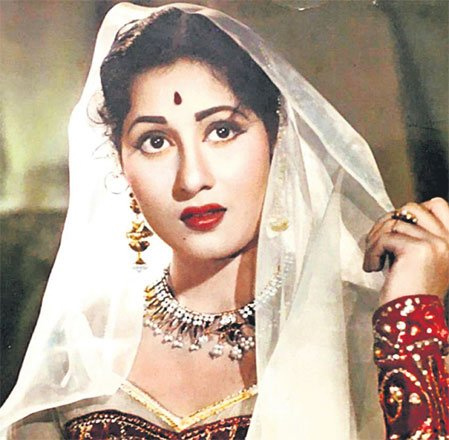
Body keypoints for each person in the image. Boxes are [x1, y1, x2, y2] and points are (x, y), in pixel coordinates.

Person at [1, 3, 448, 439]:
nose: (192, 178)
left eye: (222, 131)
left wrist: (411, 317)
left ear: (276, 140)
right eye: (155, 141)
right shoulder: (82, 355)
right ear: (120, 163)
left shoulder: (366, 334)